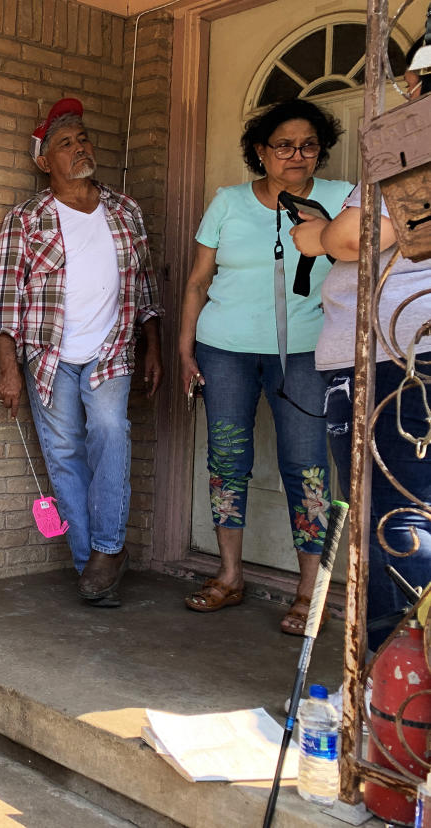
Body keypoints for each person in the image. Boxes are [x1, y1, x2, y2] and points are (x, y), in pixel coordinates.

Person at [179, 98, 353, 634]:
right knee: (227, 458)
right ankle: (229, 576)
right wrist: (186, 349)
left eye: (307, 145)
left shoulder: (342, 200)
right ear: (261, 151)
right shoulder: (228, 202)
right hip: (224, 347)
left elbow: (362, 263)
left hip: (306, 351)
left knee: (307, 468)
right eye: (283, 145)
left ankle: (308, 593)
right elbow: (198, 280)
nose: (296, 155)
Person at [0, 97, 164, 609]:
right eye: (65, 142)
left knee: (109, 430)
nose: (80, 146)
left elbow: (146, 286)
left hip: (111, 349)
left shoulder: (125, 210)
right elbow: (3, 297)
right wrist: (8, 368)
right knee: (63, 455)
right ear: (45, 162)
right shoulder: (26, 218)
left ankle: (108, 549)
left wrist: (152, 347)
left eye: (83, 137)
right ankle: (94, 564)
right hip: (47, 356)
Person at [290, 45, 431, 652]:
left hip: (392, 358)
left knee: (394, 519)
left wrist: (315, 234)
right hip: (409, 351)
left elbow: (356, 235)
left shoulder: (417, 135)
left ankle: (393, 691)